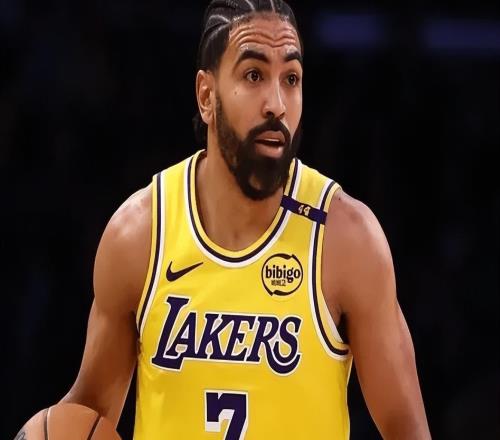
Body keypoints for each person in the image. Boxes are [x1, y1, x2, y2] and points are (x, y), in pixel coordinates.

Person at [45, 1, 431, 438]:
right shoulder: (140, 235)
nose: (277, 104)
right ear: (206, 96)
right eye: (253, 76)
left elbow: (408, 429)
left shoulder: (347, 238)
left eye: (291, 79)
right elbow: (88, 415)